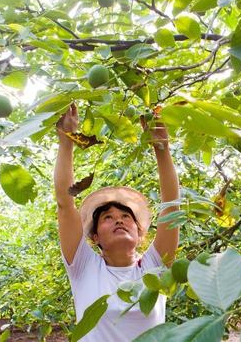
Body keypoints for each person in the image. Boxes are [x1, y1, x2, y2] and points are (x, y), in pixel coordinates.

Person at [53, 103, 180, 341]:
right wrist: (67, 140)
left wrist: (162, 148)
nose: (118, 221)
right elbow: (64, 203)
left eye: (125, 217)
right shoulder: (84, 267)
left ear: (139, 233)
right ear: (95, 237)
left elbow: (172, 207)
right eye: (108, 217)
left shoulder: (154, 266)